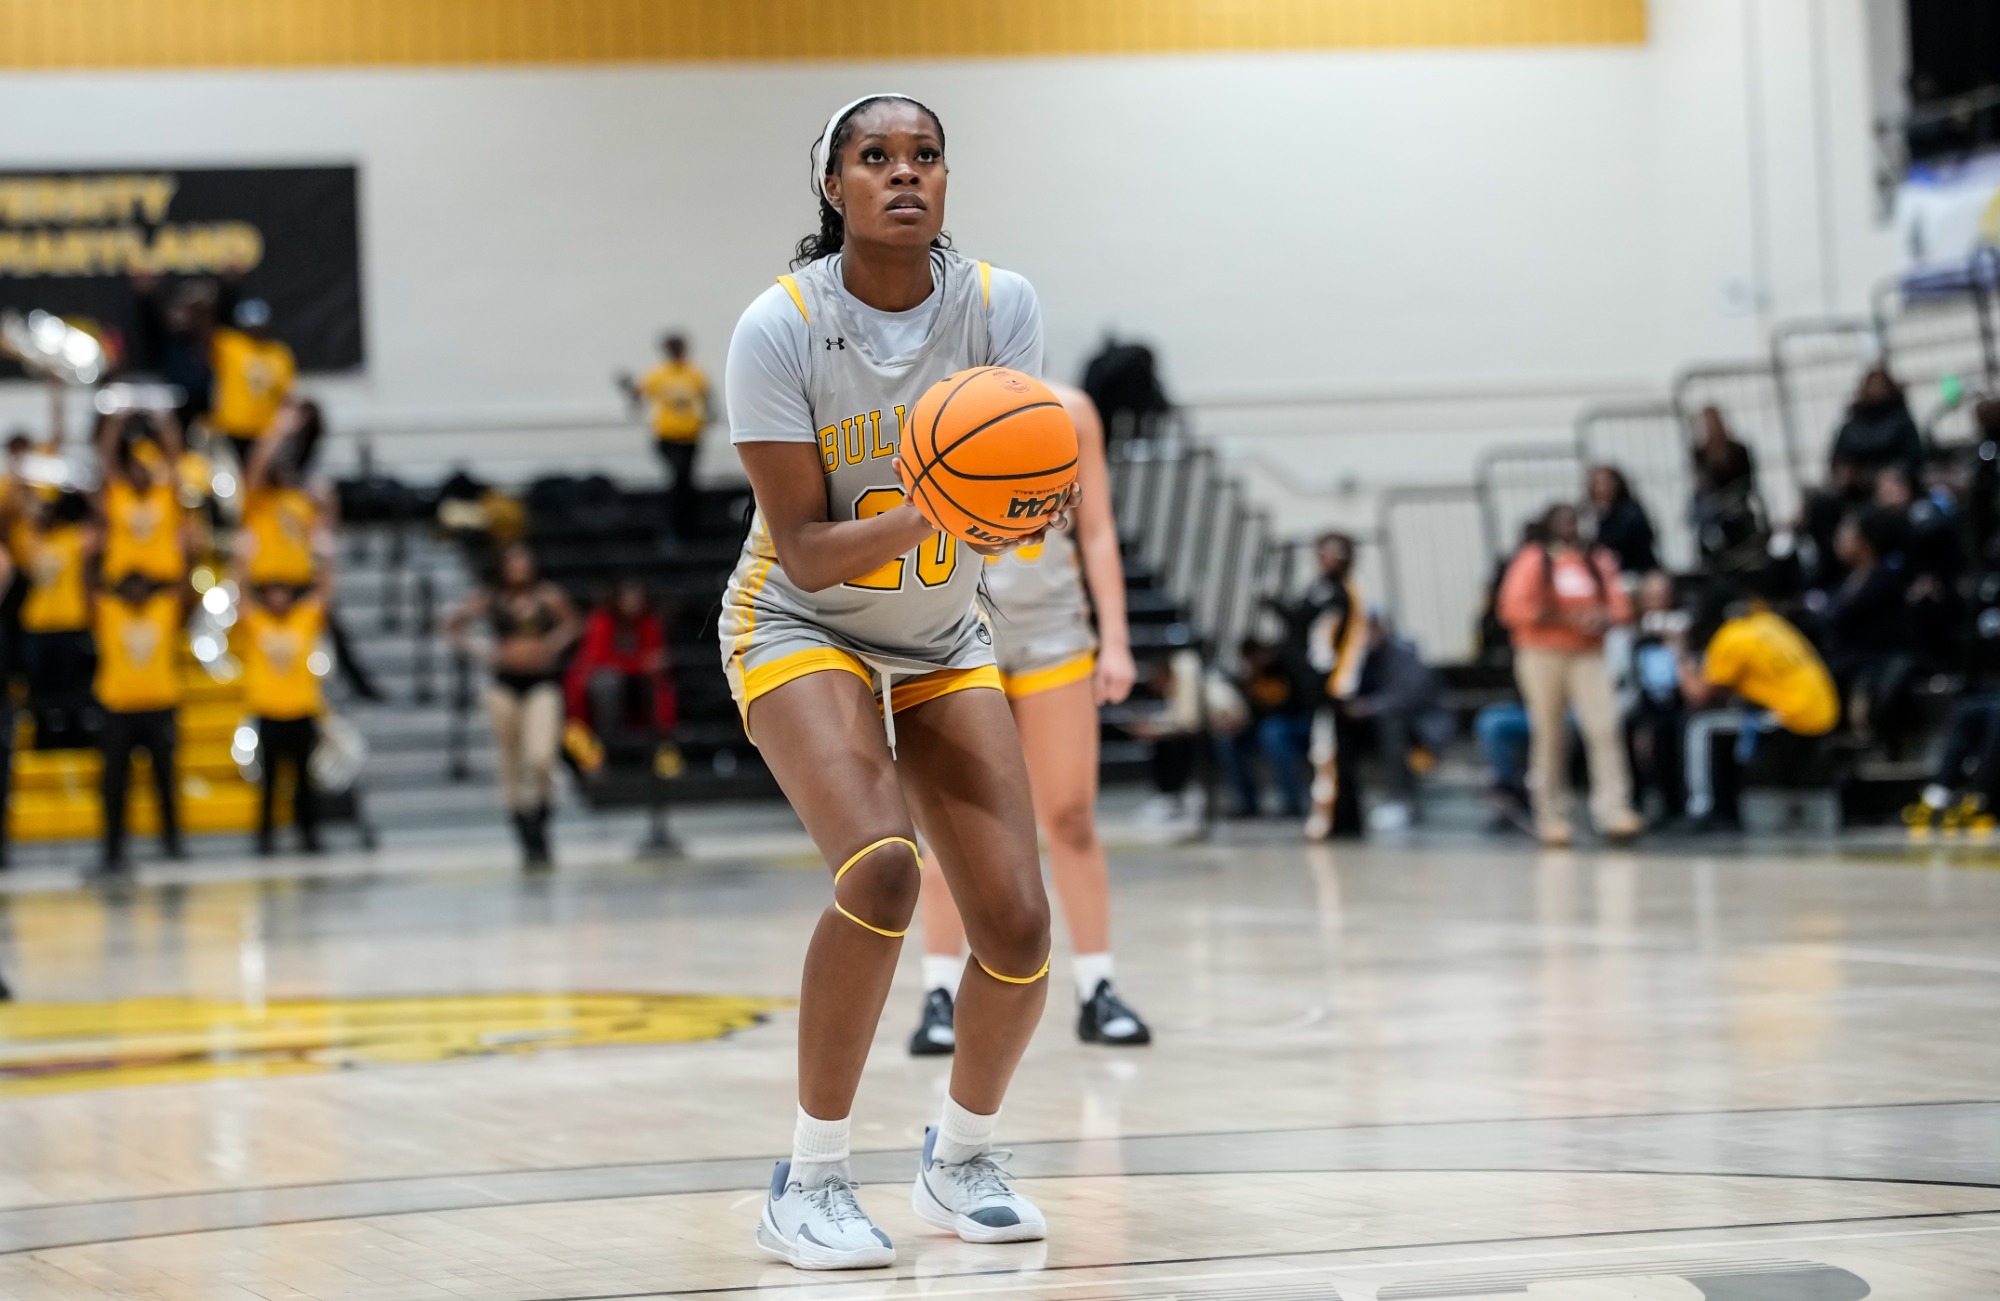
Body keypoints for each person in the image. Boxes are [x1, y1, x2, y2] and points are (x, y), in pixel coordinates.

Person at [720, 94, 1057, 1269]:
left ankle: (958, 1156)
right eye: (875, 157)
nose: (903, 174)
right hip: (798, 619)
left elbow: (1019, 505)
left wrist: (1019, 499)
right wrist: (942, 500)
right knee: (880, 866)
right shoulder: (778, 326)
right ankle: (807, 1178)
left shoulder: (998, 306)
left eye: (924, 156)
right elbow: (808, 550)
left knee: (1016, 924)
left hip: (938, 633)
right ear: (834, 185)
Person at [906, 385, 1149, 1057]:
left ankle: (1097, 986)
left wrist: (1117, 639)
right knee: (949, 826)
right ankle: (939, 992)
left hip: (1052, 633)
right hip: (954, 631)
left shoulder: (1071, 411)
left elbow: (1096, 529)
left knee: (1069, 816)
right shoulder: (929, 406)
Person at [1496, 502, 1641, 845]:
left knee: (1604, 728)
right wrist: (1567, 618)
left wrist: (1603, 618)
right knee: (1550, 733)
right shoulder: (1533, 559)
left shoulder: (1597, 558)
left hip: (1589, 654)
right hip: (1542, 653)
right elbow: (1512, 609)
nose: (1569, 527)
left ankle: (1614, 810)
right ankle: (1551, 815)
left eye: (1574, 521)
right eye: (1562, 522)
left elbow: (1620, 606)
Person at [446, 543, 580, 869]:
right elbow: (454, 625)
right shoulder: (492, 598)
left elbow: (573, 624)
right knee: (510, 760)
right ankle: (524, 831)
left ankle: (542, 816)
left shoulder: (547, 596)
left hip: (540, 682)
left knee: (541, 756)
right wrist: (483, 650)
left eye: (523, 562)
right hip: (504, 685)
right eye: (512, 563)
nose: (519, 569)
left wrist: (550, 645)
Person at [240, 402, 384, 701]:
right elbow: (256, 467)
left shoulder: (306, 499)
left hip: (300, 583)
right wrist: (278, 430)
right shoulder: (261, 501)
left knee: (322, 635)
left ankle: (339, 691)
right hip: (268, 585)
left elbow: (325, 534)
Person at [1675, 589, 1839, 828]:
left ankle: (1702, 810)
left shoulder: (1731, 637)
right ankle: (1727, 809)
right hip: (1823, 712)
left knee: (1699, 725)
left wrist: (1678, 652)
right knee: (1724, 722)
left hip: (1792, 716)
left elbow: (1698, 695)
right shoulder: (1768, 623)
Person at [92, 573, 188, 874]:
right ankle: (112, 848)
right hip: (119, 709)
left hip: (158, 707)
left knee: (165, 779)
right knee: (114, 784)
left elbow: (184, 591)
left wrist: (186, 557)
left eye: (141, 586)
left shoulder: (163, 609)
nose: (136, 592)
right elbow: (88, 592)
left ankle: (172, 841)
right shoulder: (110, 611)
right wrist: (89, 560)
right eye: (130, 587)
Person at [1275, 533, 1366, 840]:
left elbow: (1350, 646)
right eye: (1324, 553)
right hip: (1314, 686)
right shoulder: (1319, 589)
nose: (1327, 560)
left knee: (1333, 754)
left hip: (1333, 688)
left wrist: (1342, 686)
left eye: (1335, 554)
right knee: (1323, 750)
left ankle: (1339, 819)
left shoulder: (1346, 593)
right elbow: (1302, 623)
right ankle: (1332, 816)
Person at [240, 578, 329, 855]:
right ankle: (265, 835)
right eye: (273, 593)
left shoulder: (303, 619)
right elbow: (241, 601)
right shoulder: (258, 622)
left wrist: (326, 566)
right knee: (269, 780)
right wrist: (241, 567)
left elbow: (323, 597)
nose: (278, 600)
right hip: (269, 713)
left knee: (304, 779)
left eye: (283, 593)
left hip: (301, 711)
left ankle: (309, 833)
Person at [1344, 612, 1453, 831]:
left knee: (1391, 724)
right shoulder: (1357, 657)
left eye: (1370, 629)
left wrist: (1369, 707)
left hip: (1422, 725)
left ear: (1381, 628)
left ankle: (1400, 801)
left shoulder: (1405, 653)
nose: (1365, 635)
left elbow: (1408, 698)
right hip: (1378, 723)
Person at [16, 491, 99, 748]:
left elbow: (103, 528)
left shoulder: (74, 537)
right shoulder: (27, 537)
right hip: (37, 625)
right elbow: (9, 516)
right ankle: (45, 741)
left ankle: (76, 740)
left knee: (72, 689)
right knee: (41, 691)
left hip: (70, 623)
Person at [564, 578, 677, 741]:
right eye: (627, 599)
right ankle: (608, 737)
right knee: (607, 682)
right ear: (616, 600)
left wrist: (645, 664)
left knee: (660, 685)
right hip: (600, 682)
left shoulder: (650, 623)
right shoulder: (601, 621)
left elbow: (656, 659)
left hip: (637, 682)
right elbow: (600, 660)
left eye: (637, 599)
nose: (633, 604)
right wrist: (639, 663)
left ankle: (659, 738)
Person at [620, 334, 709, 538]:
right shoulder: (658, 375)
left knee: (686, 480)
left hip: (690, 437)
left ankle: (688, 525)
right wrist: (628, 387)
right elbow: (638, 396)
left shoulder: (694, 374)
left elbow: (706, 398)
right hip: (667, 437)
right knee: (678, 476)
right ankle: (674, 525)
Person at [1214, 638, 1313, 819]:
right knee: (1227, 739)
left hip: (1294, 725)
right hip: (1260, 728)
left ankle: (1293, 800)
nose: (1253, 662)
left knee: (1273, 732)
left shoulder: (1287, 669)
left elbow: (1293, 705)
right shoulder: (1251, 678)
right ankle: (1247, 802)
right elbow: (1251, 711)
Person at [1621, 571, 1689, 822]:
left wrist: (1676, 643)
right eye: (1650, 595)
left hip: (1673, 697)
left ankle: (1673, 806)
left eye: (1661, 594)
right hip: (1640, 699)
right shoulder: (1632, 628)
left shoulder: (1679, 622)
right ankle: (1635, 802)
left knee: (1666, 740)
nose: (1655, 600)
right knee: (1629, 737)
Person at [97, 411, 189, 589]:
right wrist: (116, 419)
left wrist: (162, 416)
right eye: (136, 466)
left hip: (161, 580)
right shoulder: (119, 493)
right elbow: (107, 458)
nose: (141, 471)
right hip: (123, 579)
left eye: (145, 466)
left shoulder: (165, 494)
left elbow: (176, 458)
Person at [208, 298, 297, 471]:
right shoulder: (230, 344)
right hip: (231, 429)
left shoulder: (279, 353)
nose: (255, 330)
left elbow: (287, 396)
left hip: (264, 433)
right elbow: (205, 332)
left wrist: (282, 426)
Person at [1688, 406, 1766, 574]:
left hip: (1736, 506)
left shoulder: (1738, 450)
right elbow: (1701, 485)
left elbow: (1748, 481)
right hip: (1713, 511)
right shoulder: (1700, 453)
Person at [1831, 367, 1924, 486]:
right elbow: (1838, 459)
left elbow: (1914, 457)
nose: (1875, 391)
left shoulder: (1901, 422)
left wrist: (1894, 474)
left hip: (1896, 483)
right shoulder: (1852, 427)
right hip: (1857, 487)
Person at [1587, 464, 1658, 576]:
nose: (1599, 489)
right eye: (1595, 484)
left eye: (1603, 483)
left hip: (1637, 570)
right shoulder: (1596, 513)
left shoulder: (1630, 511)